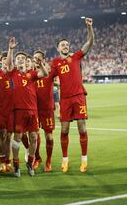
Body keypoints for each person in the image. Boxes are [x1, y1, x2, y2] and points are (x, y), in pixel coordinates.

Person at [51, 17, 94, 173]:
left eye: (67, 45)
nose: (66, 46)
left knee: (82, 127)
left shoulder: (75, 57)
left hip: (78, 97)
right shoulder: (55, 62)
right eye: (63, 45)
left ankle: (84, 160)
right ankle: (65, 161)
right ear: (58, 48)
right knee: (64, 129)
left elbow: (89, 43)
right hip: (65, 100)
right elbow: (47, 75)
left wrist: (89, 28)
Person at [5, 37, 48, 177]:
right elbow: (8, 63)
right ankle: (16, 164)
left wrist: (40, 64)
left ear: (25, 61)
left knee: (34, 137)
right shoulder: (13, 73)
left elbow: (45, 73)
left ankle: (30, 163)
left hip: (32, 111)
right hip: (19, 111)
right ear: (16, 62)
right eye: (18, 58)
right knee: (17, 138)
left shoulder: (31, 74)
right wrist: (11, 49)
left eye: (22, 58)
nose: (20, 60)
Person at [33, 50, 57, 172]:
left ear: (43, 59)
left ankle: (48, 161)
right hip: (34, 109)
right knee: (35, 135)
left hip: (47, 109)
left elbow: (56, 84)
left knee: (49, 136)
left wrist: (56, 100)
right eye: (34, 58)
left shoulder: (50, 70)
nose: (36, 60)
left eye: (38, 58)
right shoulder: (31, 72)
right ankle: (37, 158)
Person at [0, 51, 13, 173]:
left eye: (8, 59)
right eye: (4, 59)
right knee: (3, 135)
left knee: (9, 137)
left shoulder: (14, 75)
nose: (6, 61)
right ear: (0, 61)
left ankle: (8, 161)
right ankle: (2, 162)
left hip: (12, 110)